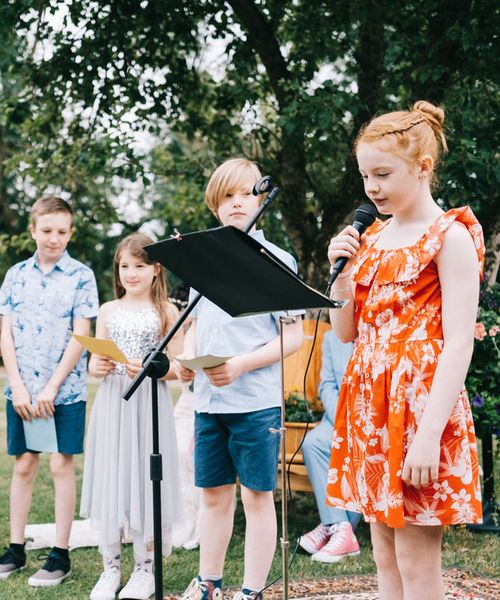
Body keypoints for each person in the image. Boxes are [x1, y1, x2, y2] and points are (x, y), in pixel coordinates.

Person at [325, 100, 484, 600]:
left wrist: (428, 435)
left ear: (422, 167)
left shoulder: (449, 237)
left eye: (382, 174)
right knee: (385, 558)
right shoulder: (370, 237)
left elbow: (459, 343)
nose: (371, 187)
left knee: (417, 563)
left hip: (420, 413)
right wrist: (342, 278)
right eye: (365, 175)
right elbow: (346, 332)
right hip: (372, 411)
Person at [175, 158, 304, 600]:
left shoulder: (276, 260)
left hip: (255, 402)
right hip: (210, 402)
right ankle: (208, 581)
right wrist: (192, 363)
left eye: (246, 193)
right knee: (213, 495)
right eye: (226, 197)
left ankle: (252, 590)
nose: (236, 204)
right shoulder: (205, 262)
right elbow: (192, 329)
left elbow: (294, 336)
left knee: (256, 498)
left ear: (262, 198)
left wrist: (240, 366)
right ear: (214, 205)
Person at [0, 196, 99, 587]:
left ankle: (60, 555)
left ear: (70, 232)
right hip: (21, 391)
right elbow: (4, 334)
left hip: (65, 391)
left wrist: (52, 387)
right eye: (46, 231)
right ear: (33, 231)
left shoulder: (81, 276)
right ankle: (15, 548)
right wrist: (20, 386)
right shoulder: (15, 275)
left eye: (61, 231)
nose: (54, 238)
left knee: (61, 465)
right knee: (24, 464)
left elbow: (81, 334)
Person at [80, 233, 183, 600]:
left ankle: (144, 567)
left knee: (145, 480)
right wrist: (99, 363)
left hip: (149, 406)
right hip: (112, 404)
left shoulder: (167, 311)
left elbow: (179, 366)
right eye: (125, 266)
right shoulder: (108, 310)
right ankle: (110, 567)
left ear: (156, 270)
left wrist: (153, 368)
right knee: (113, 476)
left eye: (139, 266)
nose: (131, 273)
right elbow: (94, 365)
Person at [298, 329, 361, 562]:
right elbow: (326, 385)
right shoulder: (332, 337)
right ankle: (341, 527)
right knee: (313, 443)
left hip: (372, 419)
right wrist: (342, 420)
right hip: (337, 417)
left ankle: (332, 525)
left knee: (365, 448)